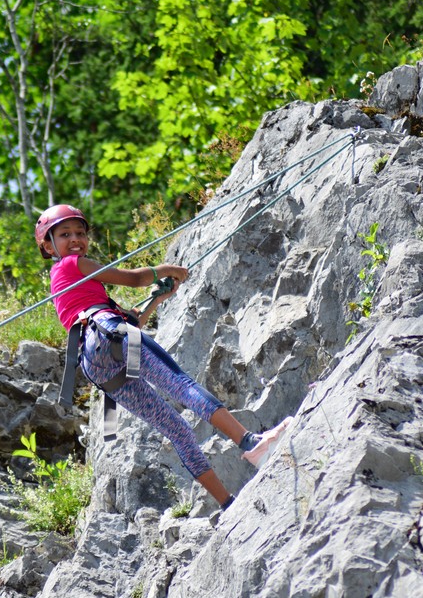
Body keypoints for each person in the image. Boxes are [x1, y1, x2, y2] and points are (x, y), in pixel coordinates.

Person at [35, 204, 291, 510]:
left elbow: (130, 328)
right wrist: (165, 270)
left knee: (176, 429)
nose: (75, 239)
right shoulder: (72, 265)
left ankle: (226, 503)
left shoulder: (73, 288)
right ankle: (250, 442)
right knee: (180, 386)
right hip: (107, 333)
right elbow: (131, 279)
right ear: (48, 246)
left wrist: (158, 298)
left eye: (80, 233)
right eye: (65, 234)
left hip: (97, 361)